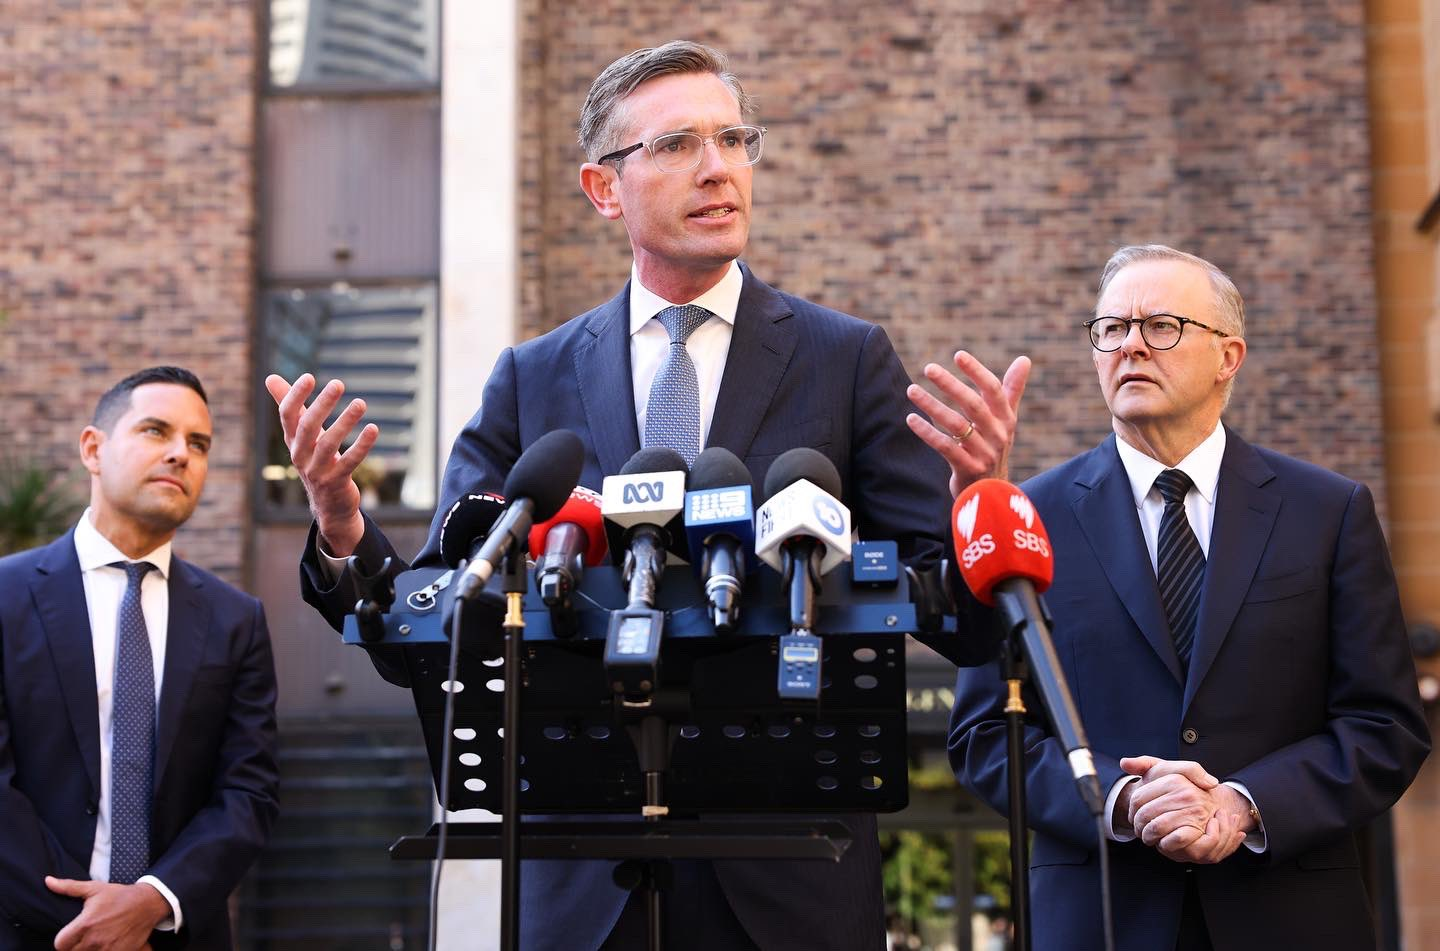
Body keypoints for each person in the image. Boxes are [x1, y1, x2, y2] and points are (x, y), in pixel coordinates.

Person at [266, 40, 1025, 951]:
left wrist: (976, 505)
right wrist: (344, 527)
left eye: (734, 139)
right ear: (603, 189)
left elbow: (965, 628)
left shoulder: (844, 358)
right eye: (676, 146)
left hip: (790, 884)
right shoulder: (530, 378)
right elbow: (437, 617)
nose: (718, 170)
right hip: (586, 890)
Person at [920, 245, 1430, 950]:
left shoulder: (1328, 511)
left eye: (1160, 325)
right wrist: (1122, 800)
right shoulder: (1024, 517)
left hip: (1289, 915)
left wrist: (1244, 804)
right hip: (1101, 916)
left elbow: (1384, 726)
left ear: (1229, 356)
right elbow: (983, 737)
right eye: (1111, 328)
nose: (1130, 344)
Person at [0, 366, 280, 950]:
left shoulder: (236, 620)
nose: (181, 453)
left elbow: (247, 793)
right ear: (93, 449)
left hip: (175, 935)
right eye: (156, 431)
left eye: (198, 443)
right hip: (28, 931)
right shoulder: (6, 595)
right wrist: (92, 922)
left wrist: (151, 903)